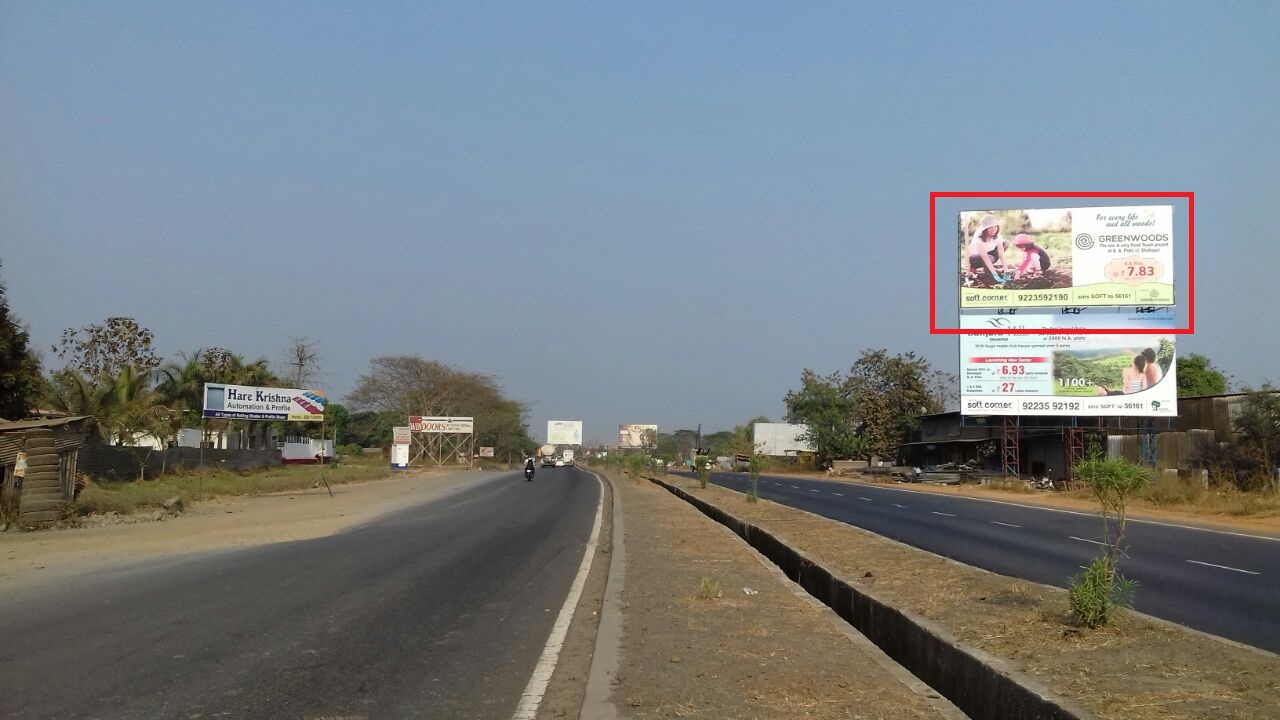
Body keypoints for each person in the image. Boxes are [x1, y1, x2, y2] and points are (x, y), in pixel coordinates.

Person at [966, 214, 1009, 284]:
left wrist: (1006, 271)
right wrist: (994, 274)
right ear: (985, 229)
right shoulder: (979, 237)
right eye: (990, 228)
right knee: (989, 258)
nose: (994, 230)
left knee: (1005, 243)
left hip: (988, 256)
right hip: (974, 258)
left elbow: (1001, 254)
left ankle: (988, 269)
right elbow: (984, 257)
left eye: (995, 226)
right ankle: (978, 269)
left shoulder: (997, 235)